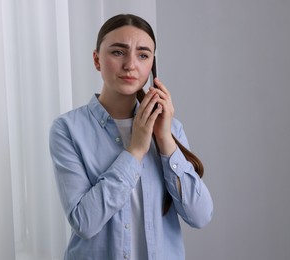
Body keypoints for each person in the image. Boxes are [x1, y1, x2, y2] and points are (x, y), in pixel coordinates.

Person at [49, 13, 213, 260]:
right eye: (118, 52)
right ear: (97, 59)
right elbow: (84, 222)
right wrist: (135, 151)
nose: (130, 65)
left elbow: (200, 216)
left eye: (143, 55)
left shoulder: (171, 129)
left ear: (152, 66)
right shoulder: (67, 129)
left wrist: (165, 141)